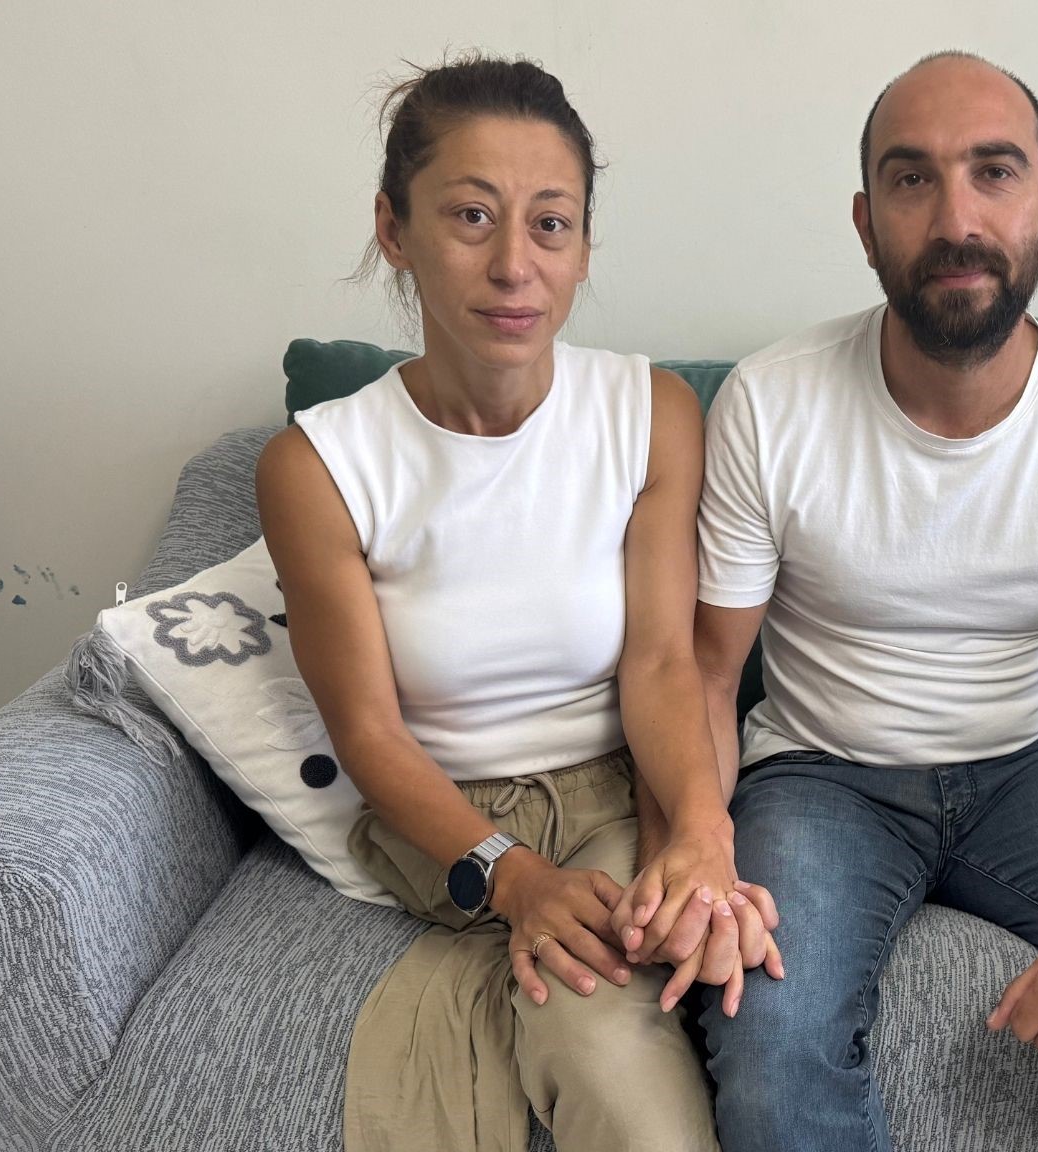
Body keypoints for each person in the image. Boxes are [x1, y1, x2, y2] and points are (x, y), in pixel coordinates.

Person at [688, 49, 1038, 1152]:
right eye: (912, 179)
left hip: (1025, 768)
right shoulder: (770, 401)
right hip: (819, 775)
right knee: (769, 1043)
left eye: (993, 173)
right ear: (866, 224)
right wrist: (701, 849)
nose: (955, 219)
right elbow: (707, 674)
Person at [256, 55, 776, 1152]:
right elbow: (368, 732)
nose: (512, 266)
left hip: (616, 795)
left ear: (582, 247)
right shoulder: (318, 466)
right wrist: (513, 879)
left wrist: (698, 833)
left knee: (694, 999)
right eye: (470, 216)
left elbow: (663, 666)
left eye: (550, 225)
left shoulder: (651, 413)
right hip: (442, 815)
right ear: (394, 230)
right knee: (612, 1059)